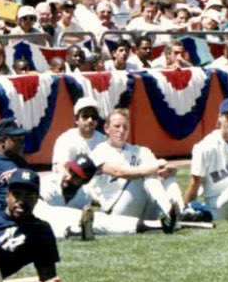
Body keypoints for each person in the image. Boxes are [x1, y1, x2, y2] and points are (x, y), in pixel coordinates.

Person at [38, 154, 173, 239]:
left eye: (76, 176)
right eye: (70, 171)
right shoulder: (49, 184)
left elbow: (100, 203)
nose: (69, 177)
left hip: (69, 225)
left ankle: (159, 225)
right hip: (40, 222)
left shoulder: (83, 194)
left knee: (102, 220)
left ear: (85, 181)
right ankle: (74, 231)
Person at [88, 108, 182, 224]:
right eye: (117, 126)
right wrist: (153, 169)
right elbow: (120, 172)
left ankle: (181, 212)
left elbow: (159, 168)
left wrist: (167, 171)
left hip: (142, 207)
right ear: (106, 128)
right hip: (115, 210)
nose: (121, 131)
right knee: (144, 173)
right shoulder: (99, 151)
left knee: (164, 175)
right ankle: (169, 211)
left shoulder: (139, 150)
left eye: (125, 127)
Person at [51, 96, 105, 177]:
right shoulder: (65, 139)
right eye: (85, 116)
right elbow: (60, 166)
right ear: (76, 119)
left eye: (94, 116)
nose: (90, 120)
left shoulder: (104, 140)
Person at [0, 117, 30, 205]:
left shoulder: (21, 161)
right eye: (18, 140)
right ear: (2, 140)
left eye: (23, 139)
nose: (23, 144)